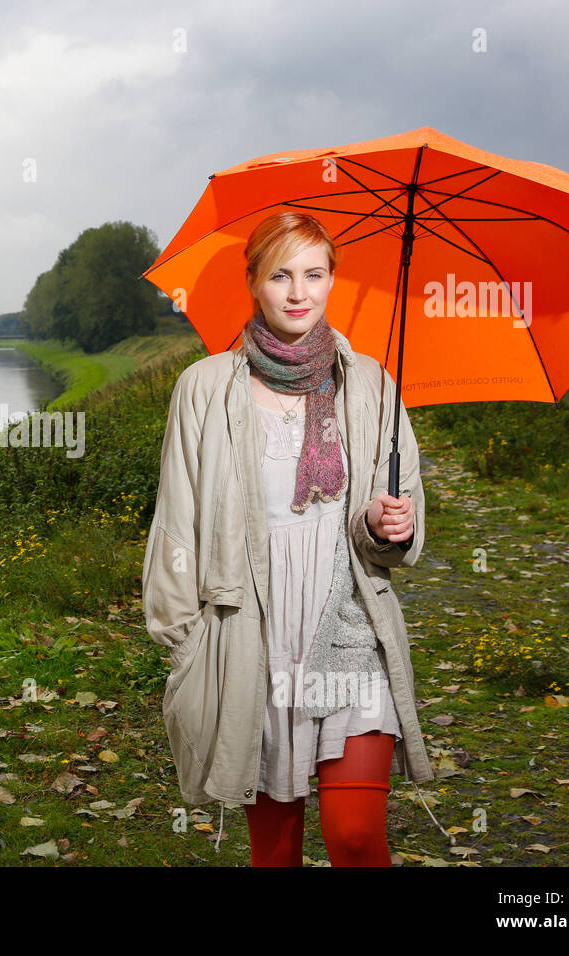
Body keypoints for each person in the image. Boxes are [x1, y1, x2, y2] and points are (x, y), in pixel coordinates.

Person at [141, 210, 433, 866]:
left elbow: (397, 522)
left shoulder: (374, 386)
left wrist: (390, 525)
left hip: (349, 632)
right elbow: (176, 522)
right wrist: (186, 644)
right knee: (275, 853)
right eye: (280, 275)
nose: (298, 291)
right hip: (255, 639)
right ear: (254, 283)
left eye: (314, 273)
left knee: (355, 835)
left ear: (332, 281)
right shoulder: (204, 389)